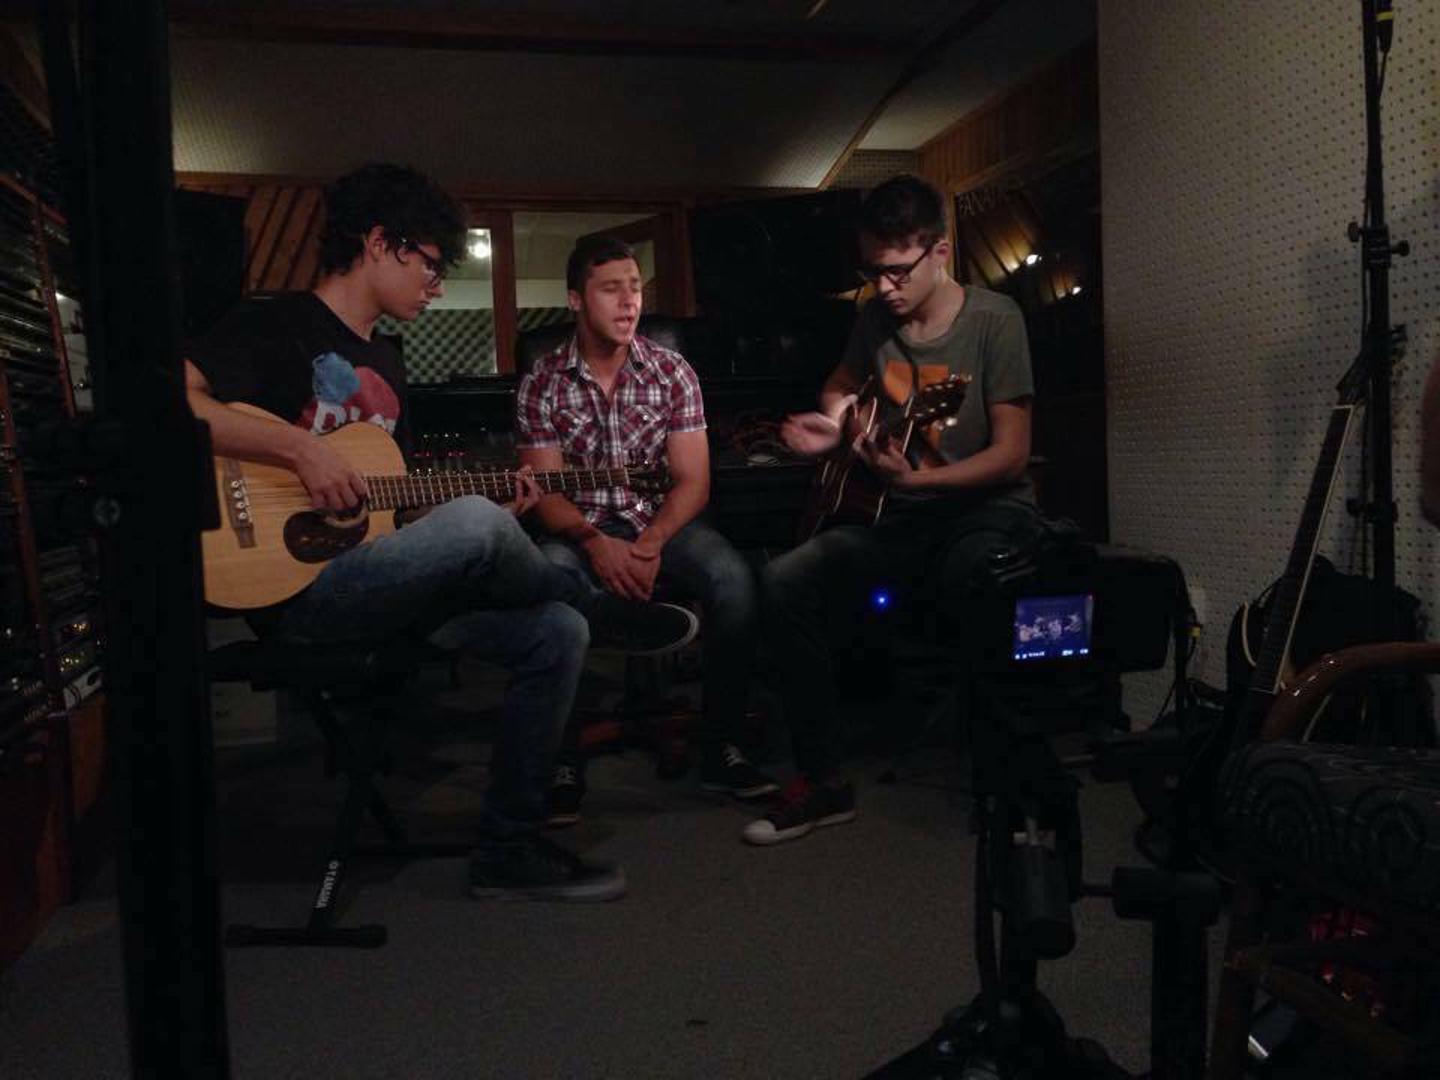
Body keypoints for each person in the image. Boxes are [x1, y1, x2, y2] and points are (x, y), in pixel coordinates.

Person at [184, 162, 697, 901]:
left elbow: (397, 516)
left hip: (384, 583)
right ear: (379, 243)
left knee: (556, 631)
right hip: (302, 596)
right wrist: (298, 449)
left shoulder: (386, 363)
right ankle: (596, 602)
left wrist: (496, 516)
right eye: (429, 264)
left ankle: (507, 850)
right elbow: (169, 400)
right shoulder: (274, 325)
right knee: (494, 538)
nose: (434, 285)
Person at [745, 174, 1042, 846]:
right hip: (902, 517)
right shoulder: (875, 320)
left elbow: (1011, 455)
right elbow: (838, 388)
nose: (883, 288)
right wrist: (838, 427)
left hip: (986, 512)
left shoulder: (995, 320)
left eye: (897, 271)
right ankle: (824, 782)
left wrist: (923, 483)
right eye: (871, 272)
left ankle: (1010, 788)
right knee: (784, 579)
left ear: (939, 251)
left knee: (978, 576)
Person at [515, 235, 776, 825]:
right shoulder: (542, 381)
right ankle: (561, 759)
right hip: (580, 527)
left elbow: (694, 482)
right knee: (550, 579)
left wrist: (651, 542)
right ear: (576, 299)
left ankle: (723, 746)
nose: (629, 301)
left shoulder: (672, 371)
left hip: (661, 522)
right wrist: (593, 543)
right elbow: (546, 493)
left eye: (635, 288)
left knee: (734, 580)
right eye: (611, 289)